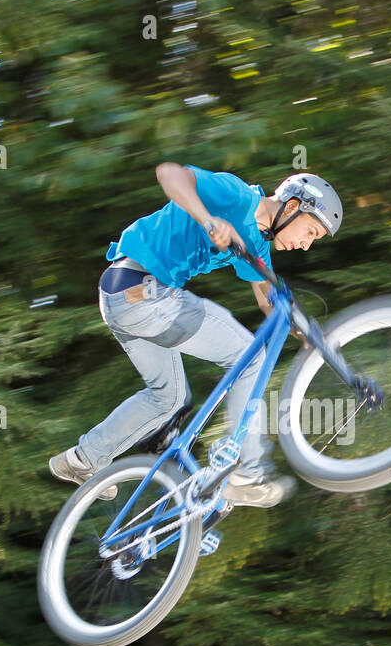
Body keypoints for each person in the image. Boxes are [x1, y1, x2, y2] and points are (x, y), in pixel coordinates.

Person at [49, 163, 343, 507]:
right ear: (292, 208)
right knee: (249, 356)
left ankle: (83, 459)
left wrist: (308, 335)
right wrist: (208, 219)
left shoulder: (256, 245)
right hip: (142, 291)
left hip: (122, 300)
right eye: (310, 232)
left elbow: (267, 299)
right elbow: (169, 174)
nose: (306, 245)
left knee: (167, 398)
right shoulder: (237, 197)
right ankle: (247, 473)